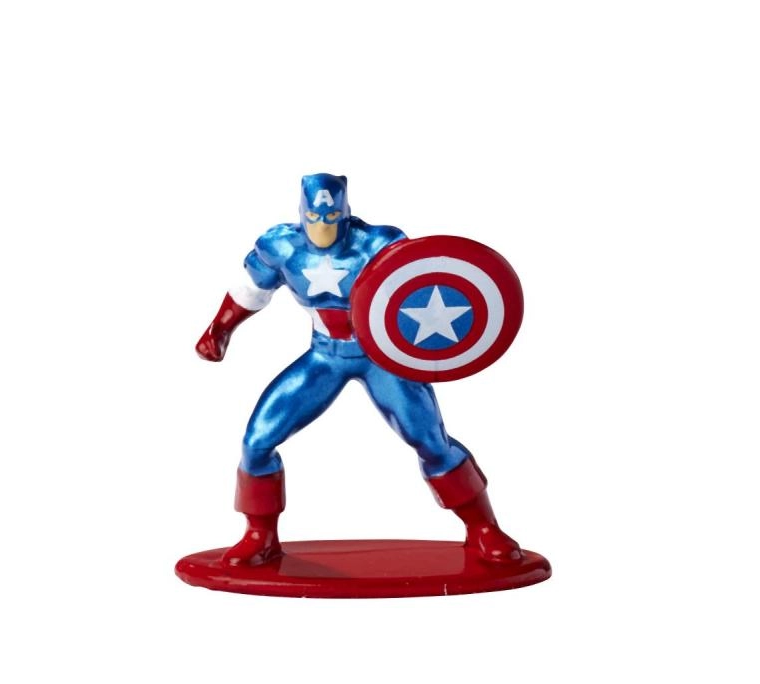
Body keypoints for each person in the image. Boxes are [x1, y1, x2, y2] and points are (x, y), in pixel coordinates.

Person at [196, 173, 522, 566]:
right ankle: (259, 535)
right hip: (324, 357)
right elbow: (251, 291)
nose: (323, 225)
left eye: (332, 216)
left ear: (347, 213)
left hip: (382, 358)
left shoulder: (378, 245)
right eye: (314, 217)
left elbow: (417, 289)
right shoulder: (282, 246)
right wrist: (219, 329)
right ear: (300, 213)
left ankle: (484, 528)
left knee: (433, 443)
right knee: (257, 441)